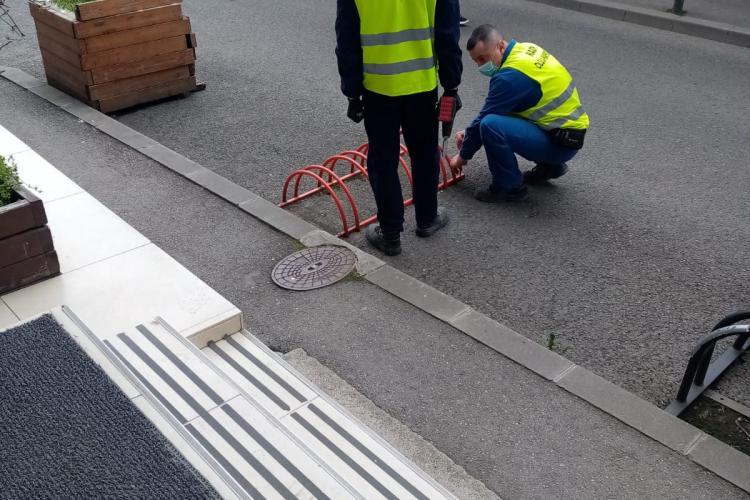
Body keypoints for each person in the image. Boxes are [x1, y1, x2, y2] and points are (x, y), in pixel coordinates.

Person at [335, 0, 463, 256]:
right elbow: (447, 34)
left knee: (383, 159)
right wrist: (451, 86)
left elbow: (347, 37)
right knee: (425, 153)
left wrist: (352, 92)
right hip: (422, 85)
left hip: (378, 87)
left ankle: (390, 233)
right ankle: (427, 219)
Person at [448, 25, 589, 202]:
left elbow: (487, 117)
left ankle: (509, 187)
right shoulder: (527, 49)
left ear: (500, 46)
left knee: (490, 125)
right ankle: (550, 167)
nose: (480, 65)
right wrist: (469, 133)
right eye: (476, 61)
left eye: (483, 58)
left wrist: (462, 157)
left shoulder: (510, 76)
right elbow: (512, 106)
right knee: (496, 119)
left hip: (560, 145)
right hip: (567, 135)